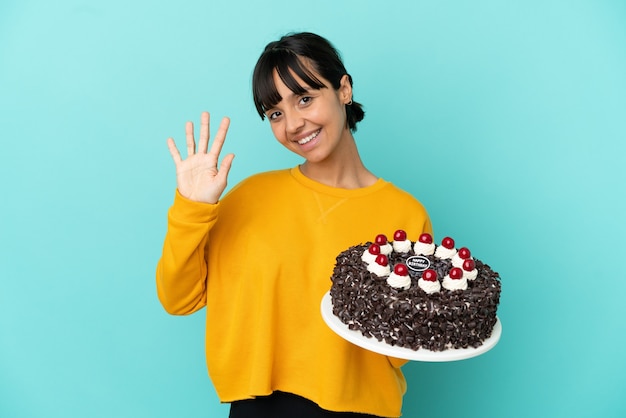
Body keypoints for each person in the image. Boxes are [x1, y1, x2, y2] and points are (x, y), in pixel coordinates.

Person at [156, 32, 432, 418]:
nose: (294, 124)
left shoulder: (403, 215)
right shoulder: (248, 198)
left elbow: (401, 349)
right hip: (258, 407)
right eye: (276, 113)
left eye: (305, 98)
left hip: (360, 409)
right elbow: (179, 298)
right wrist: (192, 208)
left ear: (344, 89)